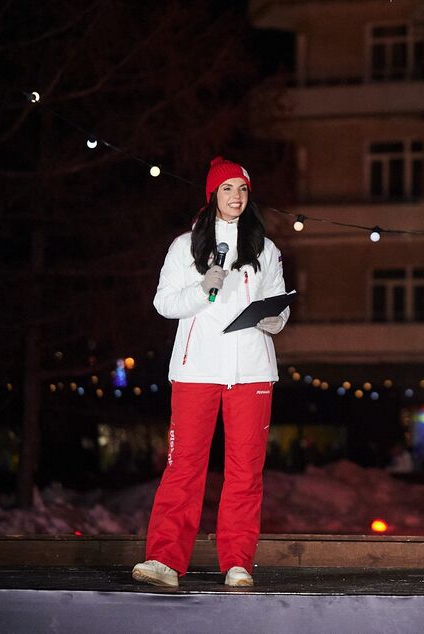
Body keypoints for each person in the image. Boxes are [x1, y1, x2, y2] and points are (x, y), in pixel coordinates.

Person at [132, 156, 290, 589]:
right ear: (212, 195)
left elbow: (277, 300)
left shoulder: (265, 248)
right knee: (183, 465)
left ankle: (237, 561)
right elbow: (164, 304)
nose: (236, 197)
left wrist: (278, 318)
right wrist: (203, 291)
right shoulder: (185, 247)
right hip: (195, 371)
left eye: (242, 189)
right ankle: (165, 559)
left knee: (245, 470)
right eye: (227, 189)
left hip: (252, 371)